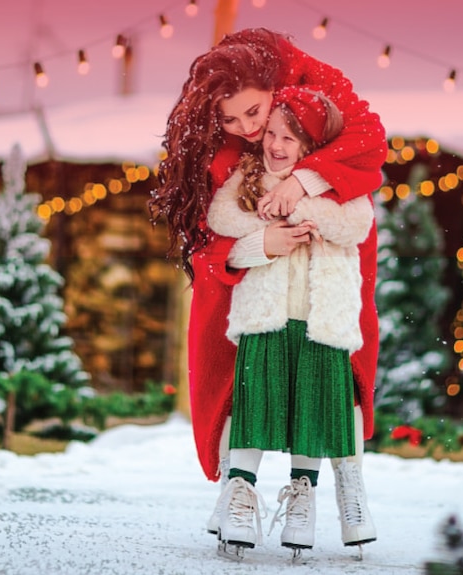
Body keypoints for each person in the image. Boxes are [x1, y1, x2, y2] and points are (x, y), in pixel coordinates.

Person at [148, 28, 387, 556]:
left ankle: (342, 480)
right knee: (239, 368)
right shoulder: (224, 148)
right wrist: (260, 242)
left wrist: (303, 182)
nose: (249, 130)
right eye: (230, 120)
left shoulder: (311, 88)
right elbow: (212, 228)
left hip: (327, 259)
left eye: (255, 113)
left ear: (275, 89)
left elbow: (368, 139)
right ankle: (236, 486)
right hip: (248, 268)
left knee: (336, 368)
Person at [206, 85, 373, 556]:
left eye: (290, 138)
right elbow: (221, 218)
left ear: (312, 147)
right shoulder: (249, 177)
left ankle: (304, 499)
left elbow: (355, 223)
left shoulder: (334, 185)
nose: (276, 145)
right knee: (256, 402)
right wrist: (264, 235)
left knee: (313, 408)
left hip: (323, 318)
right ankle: (239, 492)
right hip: (265, 315)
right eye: (272, 134)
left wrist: (296, 203)